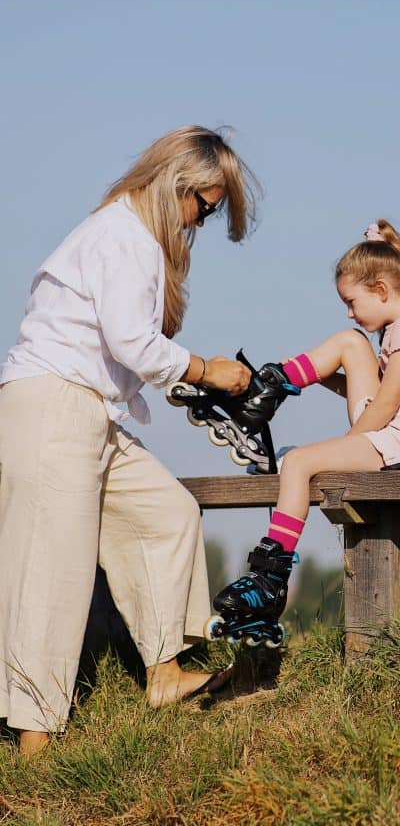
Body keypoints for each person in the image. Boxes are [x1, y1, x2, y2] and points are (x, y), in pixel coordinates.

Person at [0, 125, 261, 755]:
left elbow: (125, 350)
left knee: (166, 514)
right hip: (54, 407)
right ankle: (34, 744)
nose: (201, 222)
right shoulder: (124, 236)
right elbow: (132, 343)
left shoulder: (129, 235)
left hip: (88, 412)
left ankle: (164, 674)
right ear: (178, 184)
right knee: (50, 571)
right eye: (205, 207)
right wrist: (205, 369)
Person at [208, 219, 400, 643]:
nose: (350, 311)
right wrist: (321, 375)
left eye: (352, 301)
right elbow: (378, 395)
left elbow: (386, 404)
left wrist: (346, 448)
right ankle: (267, 388)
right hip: (392, 428)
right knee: (350, 340)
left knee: (300, 463)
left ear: (381, 289)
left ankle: (269, 579)